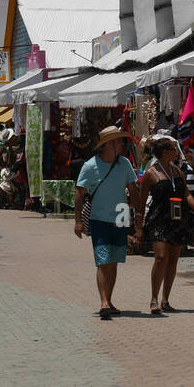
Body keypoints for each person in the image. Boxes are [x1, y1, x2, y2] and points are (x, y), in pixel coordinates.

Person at [138, 134, 194, 315]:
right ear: (163, 153)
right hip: (159, 219)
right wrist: (138, 220)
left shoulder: (177, 171)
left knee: (173, 258)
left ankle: (166, 299)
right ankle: (154, 298)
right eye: (172, 149)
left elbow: (187, 195)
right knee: (161, 257)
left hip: (178, 219)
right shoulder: (151, 173)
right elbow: (141, 198)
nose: (176, 152)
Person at [74, 127, 141, 320]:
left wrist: (139, 216)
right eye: (119, 141)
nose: (122, 144)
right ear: (108, 144)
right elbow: (80, 193)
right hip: (99, 220)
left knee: (113, 261)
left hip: (120, 217)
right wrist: (78, 221)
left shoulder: (125, 164)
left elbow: (133, 191)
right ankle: (103, 302)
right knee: (103, 261)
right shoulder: (90, 166)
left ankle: (109, 301)